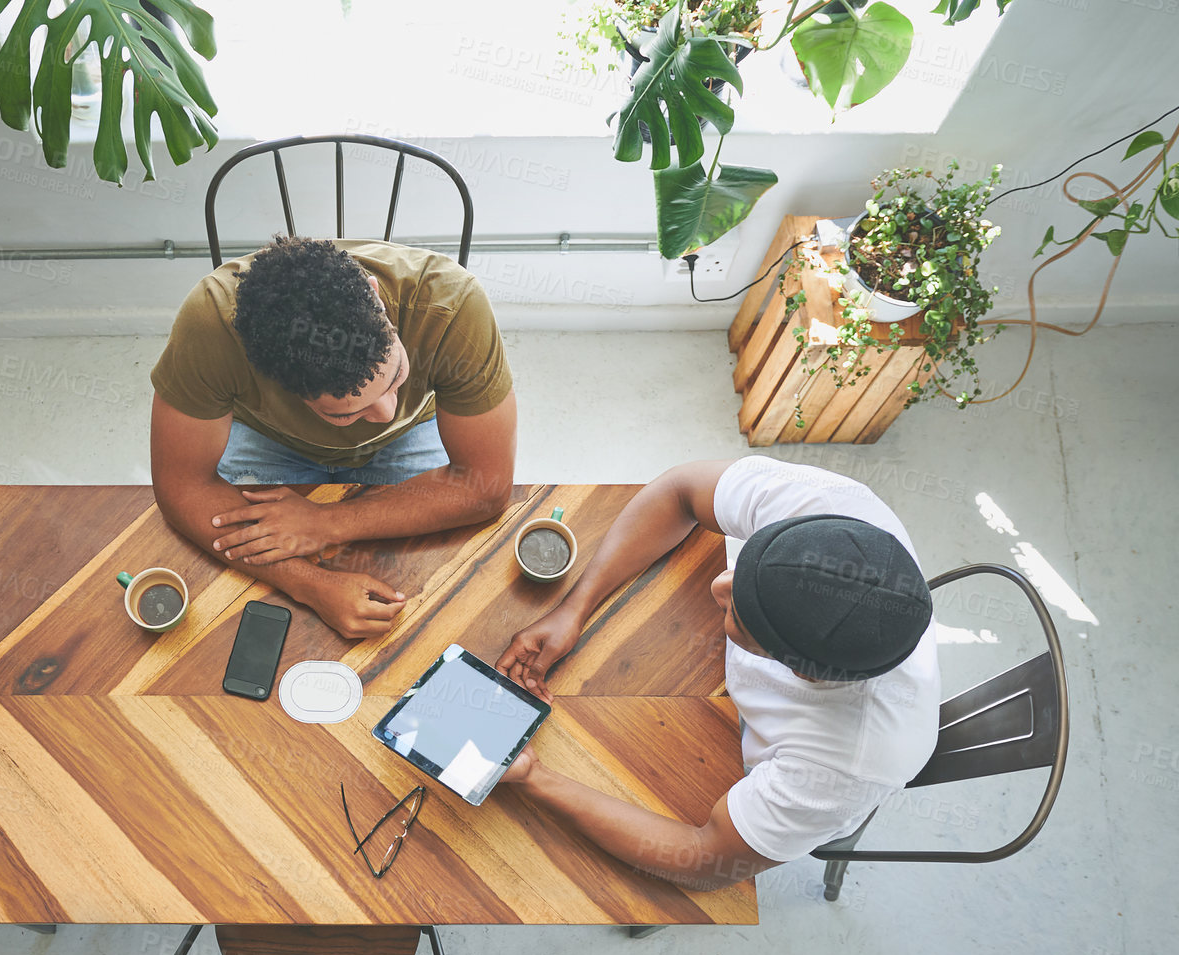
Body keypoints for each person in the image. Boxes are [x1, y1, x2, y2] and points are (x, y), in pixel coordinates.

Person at [494, 456, 940, 891]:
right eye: (747, 565)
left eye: (740, 616)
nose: (719, 584)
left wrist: (536, 779)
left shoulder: (844, 768)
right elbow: (681, 491)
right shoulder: (836, 509)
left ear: (805, 676)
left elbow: (704, 861)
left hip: (731, 756)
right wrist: (575, 608)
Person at [150, 235, 517, 639]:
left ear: (374, 295)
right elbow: (184, 487)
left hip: (415, 434)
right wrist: (310, 584)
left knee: (431, 598)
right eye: (346, 413)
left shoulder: (453, 303)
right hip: (269, 439)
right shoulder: (211, 325)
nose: (385, 414)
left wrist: (328, 522)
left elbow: (486, 488)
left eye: (395, 377)